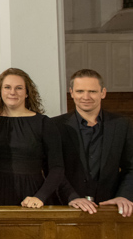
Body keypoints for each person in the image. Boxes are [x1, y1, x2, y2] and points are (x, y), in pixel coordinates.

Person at [0, 68, 64, 208]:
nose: (12, 92)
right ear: (0, 91)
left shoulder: (43, 123)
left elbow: (56, 168)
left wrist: (40, 197)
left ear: (27, 93)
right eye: (7, 87)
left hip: (31, 192)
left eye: (19, 88)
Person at [54, 69, 133, 217]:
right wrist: (71, 197)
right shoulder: (55, 126)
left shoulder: (123, 125)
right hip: (67, 207)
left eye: (92, 91)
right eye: (80, 91)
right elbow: (51, 169)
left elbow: (131, 167)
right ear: (71, 93)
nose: (86, 97)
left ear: (103, 93)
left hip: (111, 208)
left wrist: (124, 196)